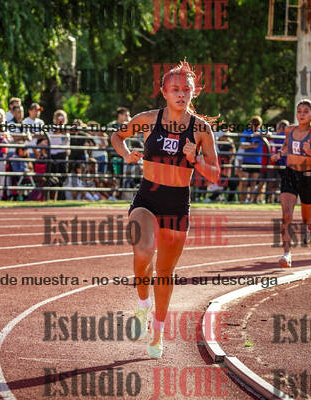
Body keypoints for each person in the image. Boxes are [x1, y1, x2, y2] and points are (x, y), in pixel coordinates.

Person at [110, 60, 220, 358]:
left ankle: (157, 331)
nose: (181, 94)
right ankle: (142, 304)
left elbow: (215, 174)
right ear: (164, 92)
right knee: (143, 251)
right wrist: (126, 154)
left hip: (177, 204)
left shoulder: (201, 129)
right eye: (175, 89)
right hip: (147, 199)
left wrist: (196, 159)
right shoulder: (148, 119)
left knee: (165, 272)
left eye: (187, 89)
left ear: (194, 92)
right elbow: (117, 136)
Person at [271, 101, 311, 268]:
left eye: (305, 111)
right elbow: (285, 146)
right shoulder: (289, 130)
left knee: (306, 218)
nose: (302, 114)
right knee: (286, 215)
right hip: (290, 174)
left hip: (307, 177)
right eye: (299, 111)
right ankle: (287, 254)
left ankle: (310, 224)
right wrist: (280, 154)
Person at [238, 117, 265, 203]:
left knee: (254, 182)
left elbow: (270, 134)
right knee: (244, 182)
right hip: (247, 160)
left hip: (257, 161)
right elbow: (242, 145)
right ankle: (243, 200)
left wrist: (260, 134)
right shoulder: (246, 132)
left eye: (257, 124)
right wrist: (252, 145)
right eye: (254, 124)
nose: (255, 126)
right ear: (251, 124)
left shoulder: (261, 132)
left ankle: (251, 200)